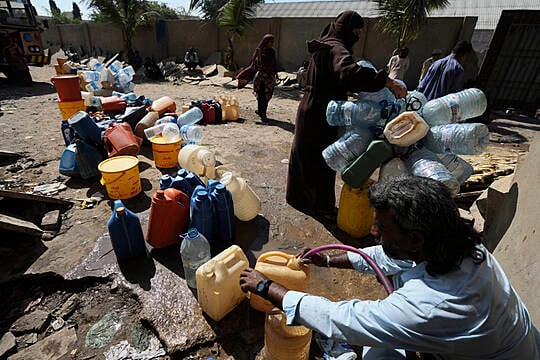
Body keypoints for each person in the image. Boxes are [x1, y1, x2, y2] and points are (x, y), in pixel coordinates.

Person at [241, 176, 539, 359]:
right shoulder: (461, 245)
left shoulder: (432, 305)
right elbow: (390, 256)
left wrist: (267, 287)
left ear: (414, 239)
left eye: (381, 227)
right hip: (512, 343)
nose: (373, 231)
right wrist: (330, 259)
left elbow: (341, 319)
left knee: (376, 351)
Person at [286, 11, 406, 220]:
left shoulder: (325, 44)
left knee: (305, 153)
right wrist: (386, 82)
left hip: (310, 106)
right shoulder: (337, 48)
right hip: (324, 110)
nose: (357, 37)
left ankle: (299, 198)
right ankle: (321, 207)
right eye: (356, 32)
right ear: (346, 29)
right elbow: (348, 73)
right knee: (324, 157)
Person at [237, 34, 277, 122]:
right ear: (266, 42)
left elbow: (273, 64)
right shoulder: (260, 51)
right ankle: (262, 114)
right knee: (262, 95)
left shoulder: (272, 51)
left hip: (269, 78)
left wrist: (275, 73)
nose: (272, 44)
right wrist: (259, 57)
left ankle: (261, 111)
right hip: (262, 78)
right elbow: (256, 64)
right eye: (271, 42)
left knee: (267, 95)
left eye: (272, 42)